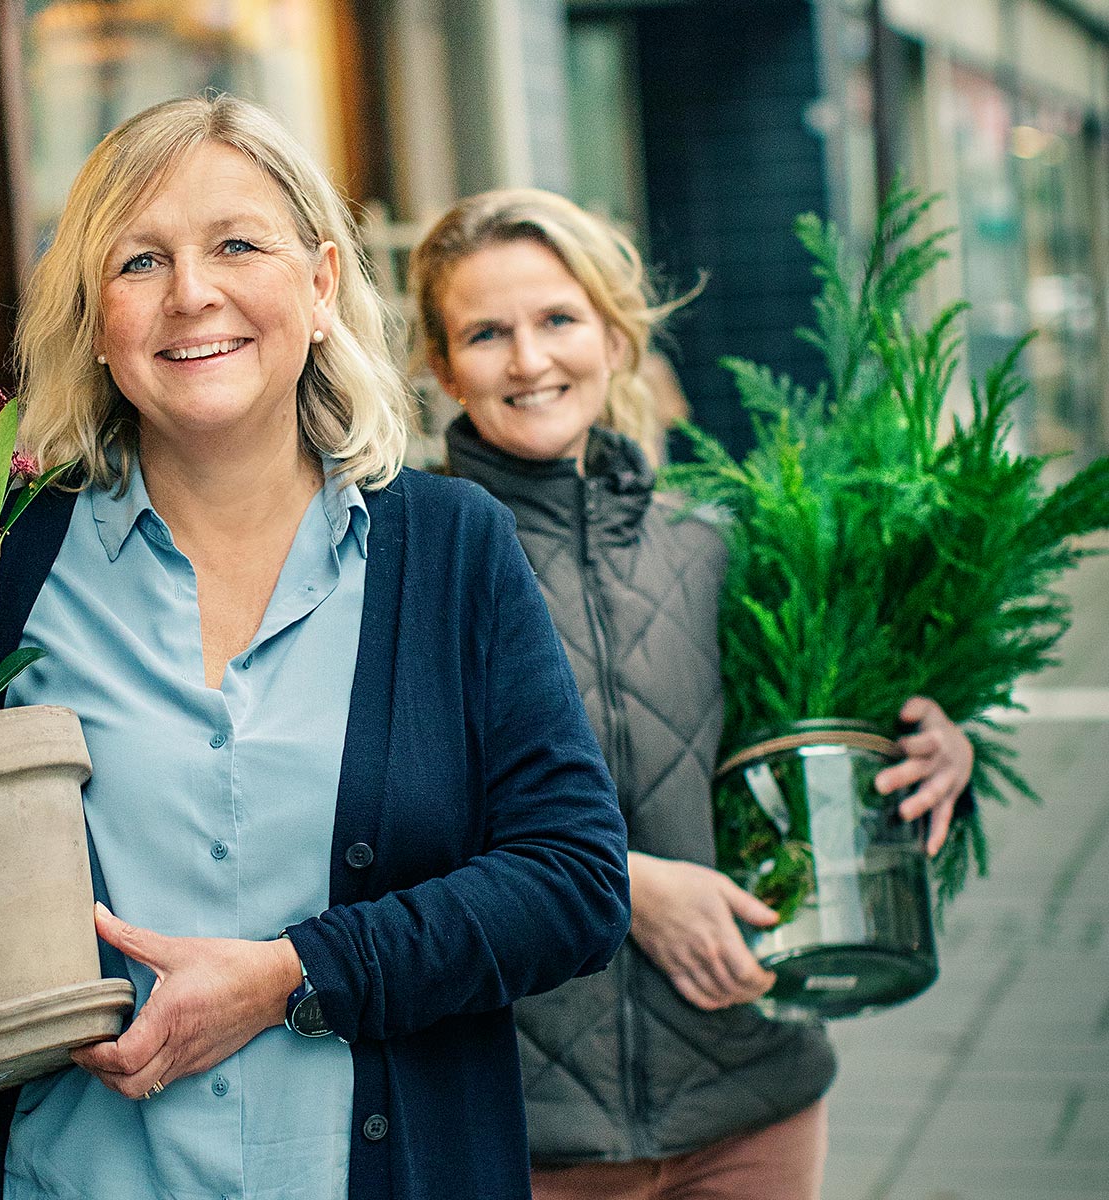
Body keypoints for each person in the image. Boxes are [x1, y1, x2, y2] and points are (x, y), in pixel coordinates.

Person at [0, 95, 631, 1200]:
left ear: (320, 280)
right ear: (97, 320)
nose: (191, 294)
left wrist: (296, 975)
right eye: (140, 260)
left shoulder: (447, 552)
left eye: (237, 245)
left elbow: (575, 881)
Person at [408, 188, 976, 1199]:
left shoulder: (714, 542)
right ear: (444, 366)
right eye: (487, 333)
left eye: (558, 320)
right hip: (527, 1123)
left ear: (617, 338)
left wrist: (937, 749)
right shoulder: (414, 558)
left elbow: (808, 753)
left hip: (751, 1100)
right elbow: (388, 822)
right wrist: (624, 889)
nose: (530, 360)